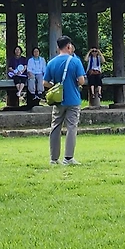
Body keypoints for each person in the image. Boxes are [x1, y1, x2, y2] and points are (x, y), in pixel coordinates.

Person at [47, 35, 87, 165]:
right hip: (73, 99)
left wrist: (56, 87)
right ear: (69, 46)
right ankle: (68, 158)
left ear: (58, 47)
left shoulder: (51, 63)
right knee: (71, 127)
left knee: (55, 127)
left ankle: (54, 158)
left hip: (58, 100)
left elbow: (45, 82)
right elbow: (81, 80)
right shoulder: (75, 61)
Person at [25, 45, 47, 109]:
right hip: (32, 73)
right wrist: (30, 73)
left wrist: (44, 74)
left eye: (37, 51)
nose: (36, 53)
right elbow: (29, 69)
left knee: (40, 78)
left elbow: (44, 68)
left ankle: (40, 93)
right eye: (35, 52)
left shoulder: (42, 59)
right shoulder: (30, 60)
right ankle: (32, 93)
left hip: (40, 73)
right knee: (31, 78)